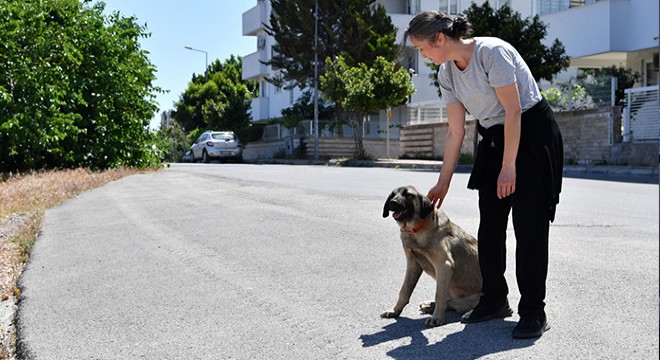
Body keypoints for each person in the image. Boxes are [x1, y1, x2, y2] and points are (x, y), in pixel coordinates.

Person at [404, 11, 563, 339]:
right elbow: (456, 130)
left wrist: (509, 166)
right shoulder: (446, 73)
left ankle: (534, 310)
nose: (422, 56)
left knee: (528, 225)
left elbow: (515, 110)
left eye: (422, 49)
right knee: (490, 226)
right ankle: (494, 299)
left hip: (530, 132)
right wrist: (443, 180)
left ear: (440, 39)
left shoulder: (491, 53)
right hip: (493, 136)